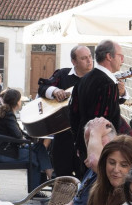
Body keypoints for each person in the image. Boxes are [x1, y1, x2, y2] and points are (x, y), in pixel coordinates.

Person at [38, 45, 93, 177]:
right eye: (84, 58)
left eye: (90, 56)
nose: (89, 60)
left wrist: (122, 92)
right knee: (61, 176)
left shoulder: (96, 79)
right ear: (74, 62)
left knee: (84, 176)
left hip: (86, 137)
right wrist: (55, 91)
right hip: (63, 136)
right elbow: (42, 87)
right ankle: (61, 197)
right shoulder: (62, 74)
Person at [73, 40, 131, 163]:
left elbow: (73, 114)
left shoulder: (84, 79)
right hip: (101, 150)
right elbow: (104, 122)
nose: (123, 60)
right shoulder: (107, 84)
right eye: (120, 56)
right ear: (109, 57)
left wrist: (79, 142)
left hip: (85, 143)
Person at [0, 88, 53, 192]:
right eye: (20, 100)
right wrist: (28, 139)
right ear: (16, 102)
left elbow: (18, 132)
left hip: (4, 150)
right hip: (4, 154)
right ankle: (38, 189)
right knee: (34, 156)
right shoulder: (8, 115)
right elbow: (17, 135)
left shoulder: (6, 112)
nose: (20, 102)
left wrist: (30, 136)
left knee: (39, 147)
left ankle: (49, 175)